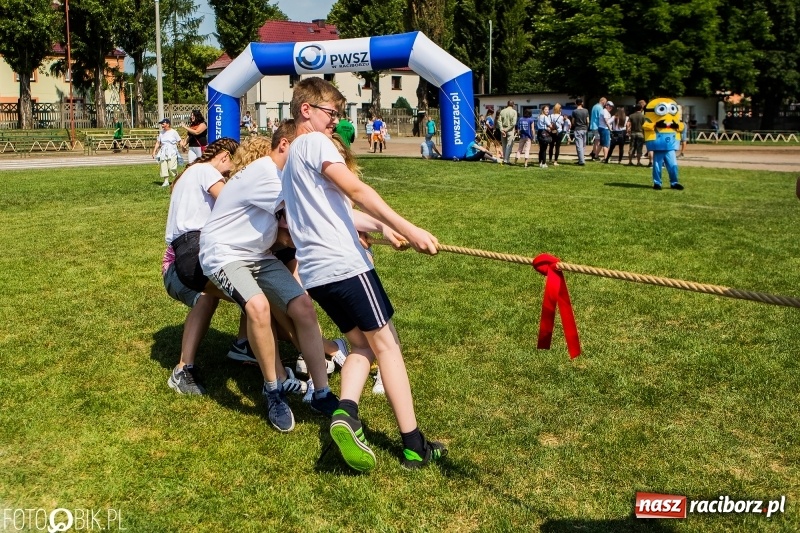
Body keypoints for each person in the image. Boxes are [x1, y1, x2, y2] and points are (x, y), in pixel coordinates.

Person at [282, 77, 447, 471]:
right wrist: (410, 227)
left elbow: (335, 209)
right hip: (346, 265)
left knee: (361, 347)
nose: (335, 124)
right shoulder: (316, 143)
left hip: (319, 275)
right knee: (388, 346)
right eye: (331, 114)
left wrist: (381, 228)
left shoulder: (290, 161)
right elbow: (357, 190)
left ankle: (346, 414)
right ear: (307, 110)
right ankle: (413, 446)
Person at [198, 124, 340, 432]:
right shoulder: (266, 174)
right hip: (224, 255)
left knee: (302, 305)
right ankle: (273, 391)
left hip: (258, 256)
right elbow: (306, 216)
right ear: (285, 146)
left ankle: (321, 391)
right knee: (258, 307)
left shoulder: (282, 175)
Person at [163, 137, 241, 395]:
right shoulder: (206, 171)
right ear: (223, 158)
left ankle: (187, 367)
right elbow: (232, 204)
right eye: (228, 173)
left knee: (213, 296)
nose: (227, 178)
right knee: (248, 289)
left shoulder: (191, 173)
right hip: (182, 263)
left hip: (175, 265)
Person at [153, 118, 182, 187]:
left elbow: (179, 141)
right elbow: (158, 142)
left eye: (163, 124)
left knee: (172, 167)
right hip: (163, 151)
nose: (162, 125)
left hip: (172, 150)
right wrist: (154, 151)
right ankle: (166, 181)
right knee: (163, 166)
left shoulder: (174, 132)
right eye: (161, 124)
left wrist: (183, 146)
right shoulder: (161, 133)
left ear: (168, 124)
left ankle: (177, 179)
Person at [571, 98, 589, 165]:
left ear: (576, 103)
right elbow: (588, 121)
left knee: (579, 145)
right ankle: (582, 159)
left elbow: (573, 121)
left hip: (578, 128)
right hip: (584, 128)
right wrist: (586, 127)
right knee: (583, 145)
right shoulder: (586, 110)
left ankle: (581, 161)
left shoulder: (575, 111)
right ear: (582, 103)